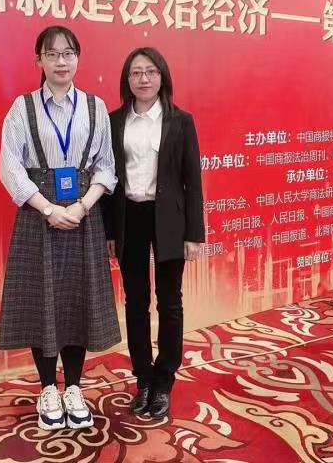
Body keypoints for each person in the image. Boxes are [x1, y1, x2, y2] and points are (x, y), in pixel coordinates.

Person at [0, 25, 121, 431]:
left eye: (68, 53)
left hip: (84, 212)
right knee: (42, 300)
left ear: (78, 58)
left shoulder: (95, 107)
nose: (61, 61)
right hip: (39, 213)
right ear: (39, 60)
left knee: (77, 299)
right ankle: (48, 387)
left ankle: (75, 387)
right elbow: (10, 167)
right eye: (52, 54)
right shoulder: (22, 108)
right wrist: (48, 208)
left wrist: (83, 206)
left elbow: (106, 166)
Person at [101, 46, 205, 419]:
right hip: (129, 216)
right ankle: (143, 378)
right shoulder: (113, 121)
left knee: (170, 302)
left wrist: (194, 234)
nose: (143, 79)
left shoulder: (181, 121)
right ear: (126, 80)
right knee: (136, 302)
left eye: (150, 72)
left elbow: (192, 180)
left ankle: (164, 381)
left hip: (169, 220)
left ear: (162, 77)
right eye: (136, 73)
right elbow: (107, 179)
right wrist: (109, 231)